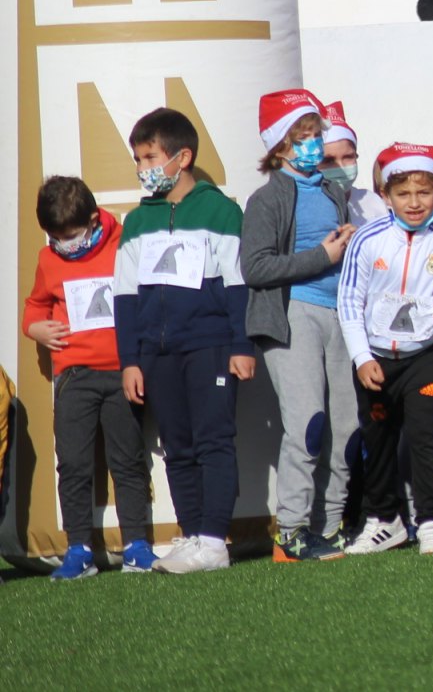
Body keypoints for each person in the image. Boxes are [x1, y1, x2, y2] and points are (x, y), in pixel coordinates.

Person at [113, 107, 254, 575]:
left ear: (183, 157)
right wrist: (130, 359)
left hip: (211, 342)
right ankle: (193, 534)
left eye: (149, 157)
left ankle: (214, 541)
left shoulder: (221, 210)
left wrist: (241, 345)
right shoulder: (135, 222)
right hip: (157, 352)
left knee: (214, 440)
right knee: (178, 445)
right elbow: (126, 297)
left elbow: (237, 284)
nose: (141, 168)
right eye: (137, 159)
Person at [339, 143, 433, 556]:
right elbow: (349, 301)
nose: (414, 203)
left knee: (426, 436)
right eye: (403, 194)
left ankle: (432, 520)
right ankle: (384, 521)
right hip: (377, 358)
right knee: (377, 438)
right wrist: (362, 357)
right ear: (386, 196)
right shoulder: (368, 238)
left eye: (424, 193)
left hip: (426, 356)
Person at [240, 89, 356, 562]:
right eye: (300, 137)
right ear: (278, 146)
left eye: (314, 135)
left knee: (346, 428)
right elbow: (256, 267)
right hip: (293, 317)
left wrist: (346, 246)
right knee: (307, 424)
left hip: (339, 316)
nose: (311, 144)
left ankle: (328, 527)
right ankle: (290, 532)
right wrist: (322, 256)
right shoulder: (266, 198)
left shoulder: (332, 190)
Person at [24, 177, 155, 578]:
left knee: (129, 461)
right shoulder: (49, 260)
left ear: (95, 219)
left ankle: (138, 546)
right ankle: (78, 549)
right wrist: (37, 329)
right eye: (55, 237)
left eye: (71, 235)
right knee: (74, 465)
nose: (64, 243)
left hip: (121, 371)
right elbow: (34, 306)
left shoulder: (123, 245)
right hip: (73, 377)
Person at [317, 101, 383, 229]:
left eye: (348, 157)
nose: (340, 167)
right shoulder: (303, 207)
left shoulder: (372, 202)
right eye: (329, 160)